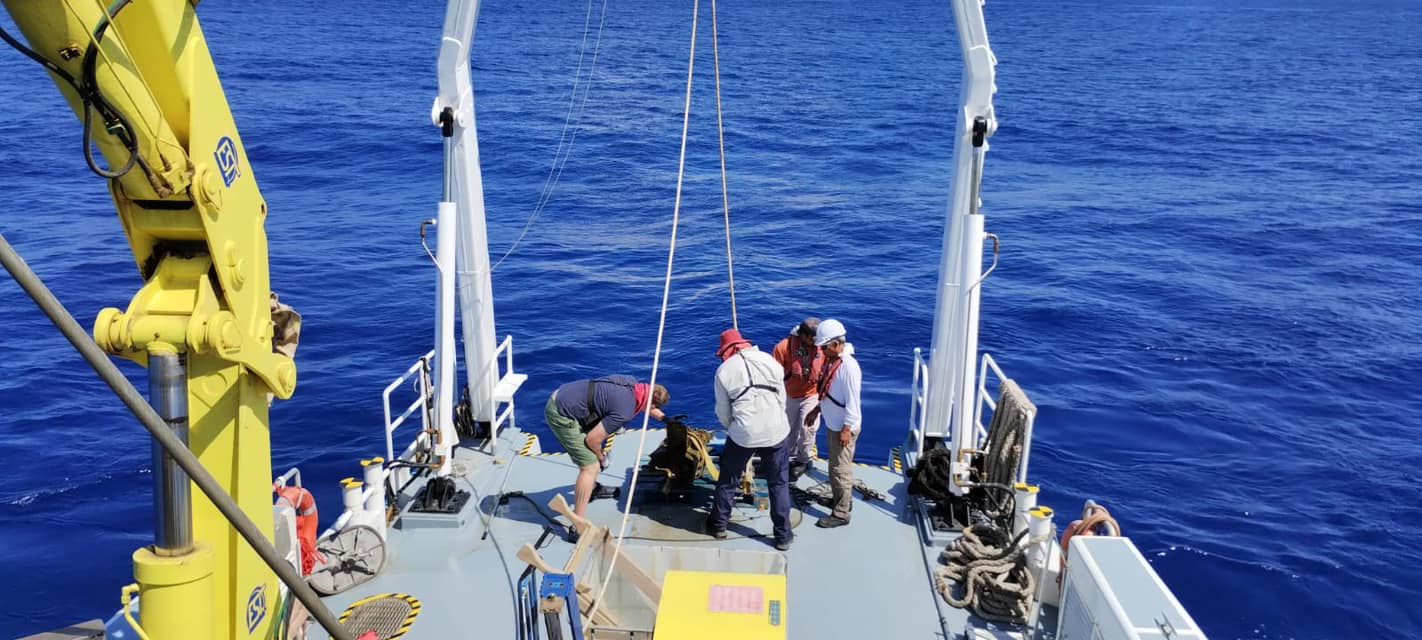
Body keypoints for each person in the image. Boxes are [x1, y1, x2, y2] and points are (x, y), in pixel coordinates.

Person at [544, 375, 669, 530]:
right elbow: (592, 440)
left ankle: (592, 488)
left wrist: (666, 419)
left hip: (567, 395)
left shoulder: (632, 384)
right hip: (561, 412)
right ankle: (577, 525)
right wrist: (601, 458)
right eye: (655, 408)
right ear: (651, 404)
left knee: (593, 453)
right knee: (591, 467)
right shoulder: (624, 411)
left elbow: (646, 405)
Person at [706, 328, 793, 550]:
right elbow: (782, 398)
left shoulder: (723, 371)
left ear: (728, 350)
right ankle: (783, 536)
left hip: (744, 433)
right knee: (778, 483)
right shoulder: (770, 360)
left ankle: (718, 525)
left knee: (728, 478)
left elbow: (723, 412)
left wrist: (735, 429)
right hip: (776, 429)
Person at [804, 318, 861, 529]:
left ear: (837, 344)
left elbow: (853, 403)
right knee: (835, 467)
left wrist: (846, 429)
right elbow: (830, 392)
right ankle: (842, 500)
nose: (822, 351)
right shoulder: (834, 361)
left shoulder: (849, 368)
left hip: (842, 428)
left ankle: (841, 513)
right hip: (834, 423)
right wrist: (817, 409)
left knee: (840, 470)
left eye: (825, 347)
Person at [772, 317, 824, 478]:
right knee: (787, 429)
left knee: (808, 428)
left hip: (812, 394)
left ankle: (803, 460)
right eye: (813, 338)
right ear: (804, 335)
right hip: (789, 395)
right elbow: (773, 374)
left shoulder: (822, 347)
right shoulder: (783, 348)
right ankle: (785, 456)